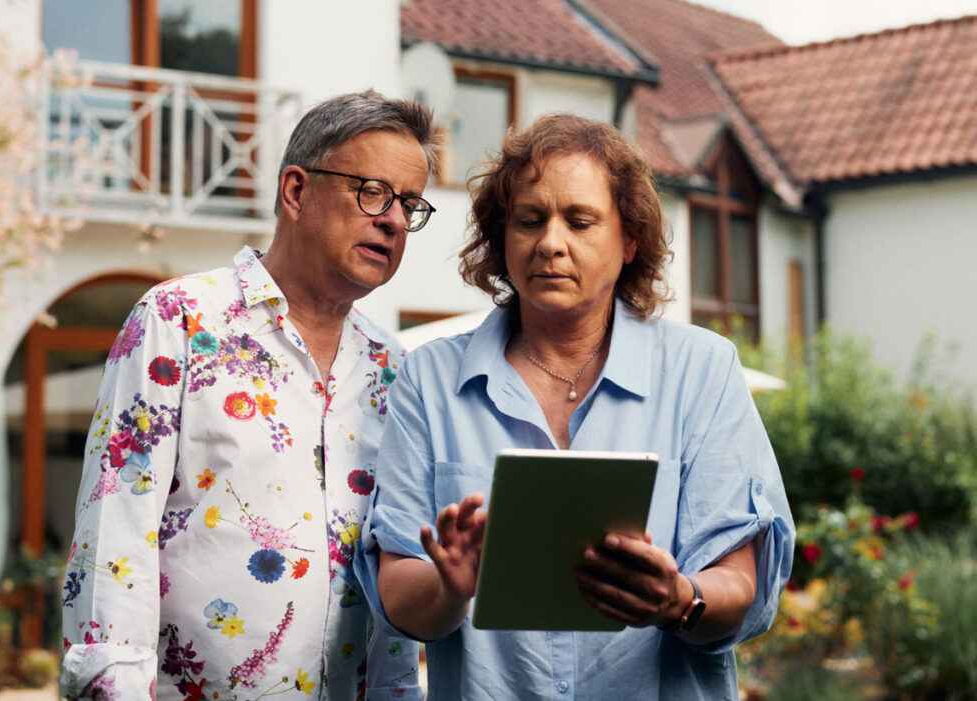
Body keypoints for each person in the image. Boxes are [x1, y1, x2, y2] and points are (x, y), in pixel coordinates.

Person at [356, 114, 795, 699]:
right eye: (529, 220)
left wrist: (679, 600)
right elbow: (398, 593)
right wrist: (449, 587)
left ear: (629, 239)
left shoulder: (702, 371)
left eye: (580, 221)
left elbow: (739, 578)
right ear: (501, 237)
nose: (550, 243)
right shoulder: (430, 378)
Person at [60, 90, 439, 700]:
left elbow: (390, 576)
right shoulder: (178, 320)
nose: (394, 219)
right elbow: (115, 535)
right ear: (295, 191)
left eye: (409, 204)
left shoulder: (396, 370)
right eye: (372, 192)